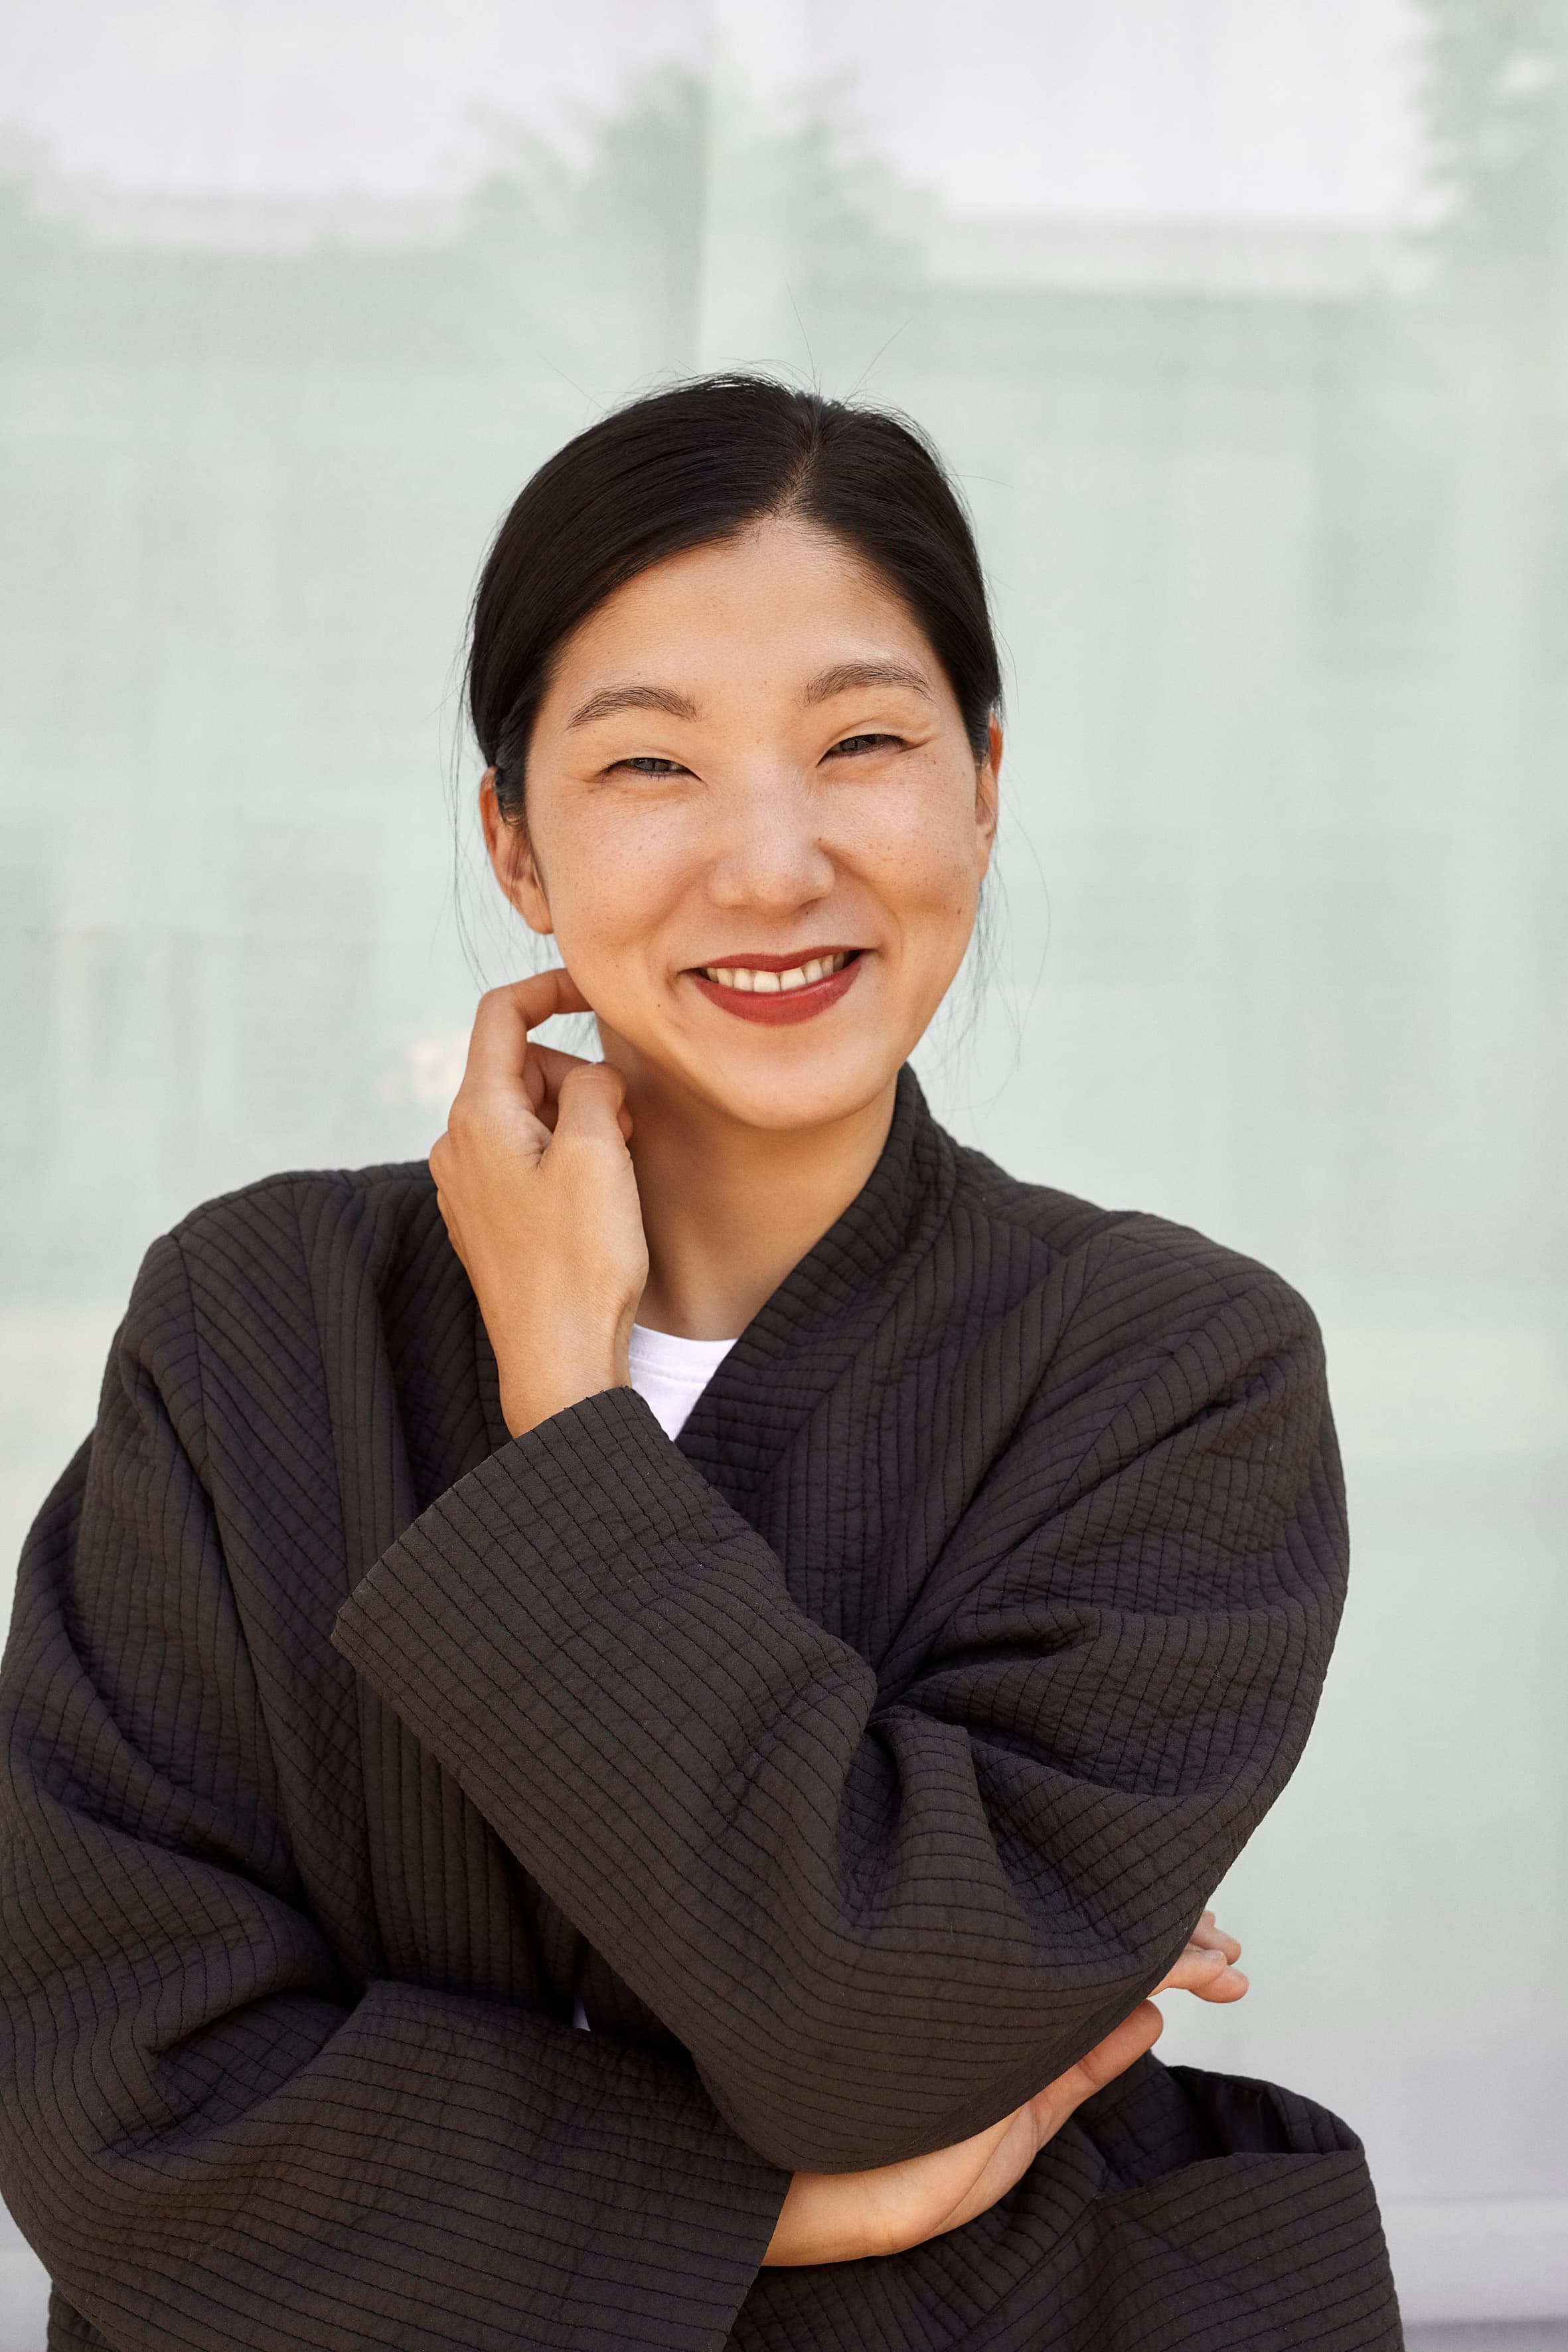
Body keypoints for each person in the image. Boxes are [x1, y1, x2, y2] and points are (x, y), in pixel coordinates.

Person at [0, 376, 1399, 2350]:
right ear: (512, 841)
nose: (769, 865)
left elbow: (868, 2039)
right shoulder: (254, 1327)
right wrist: (780, 2214)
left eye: (863, 743)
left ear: (984, 782)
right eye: (651, 768)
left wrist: (570, 1414)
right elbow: (110, 2111)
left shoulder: (1174, 1374)